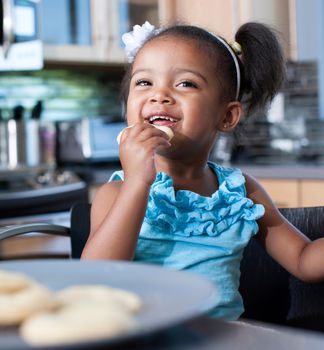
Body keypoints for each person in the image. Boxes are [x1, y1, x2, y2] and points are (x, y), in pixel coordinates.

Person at [80, 21, 324, 320]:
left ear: (227, 115)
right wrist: (137, 183)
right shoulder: (117, 192)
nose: (159, 95)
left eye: (185, 84)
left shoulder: (240, 191)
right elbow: (96, 280)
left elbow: (304, 260)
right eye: (144, 82)